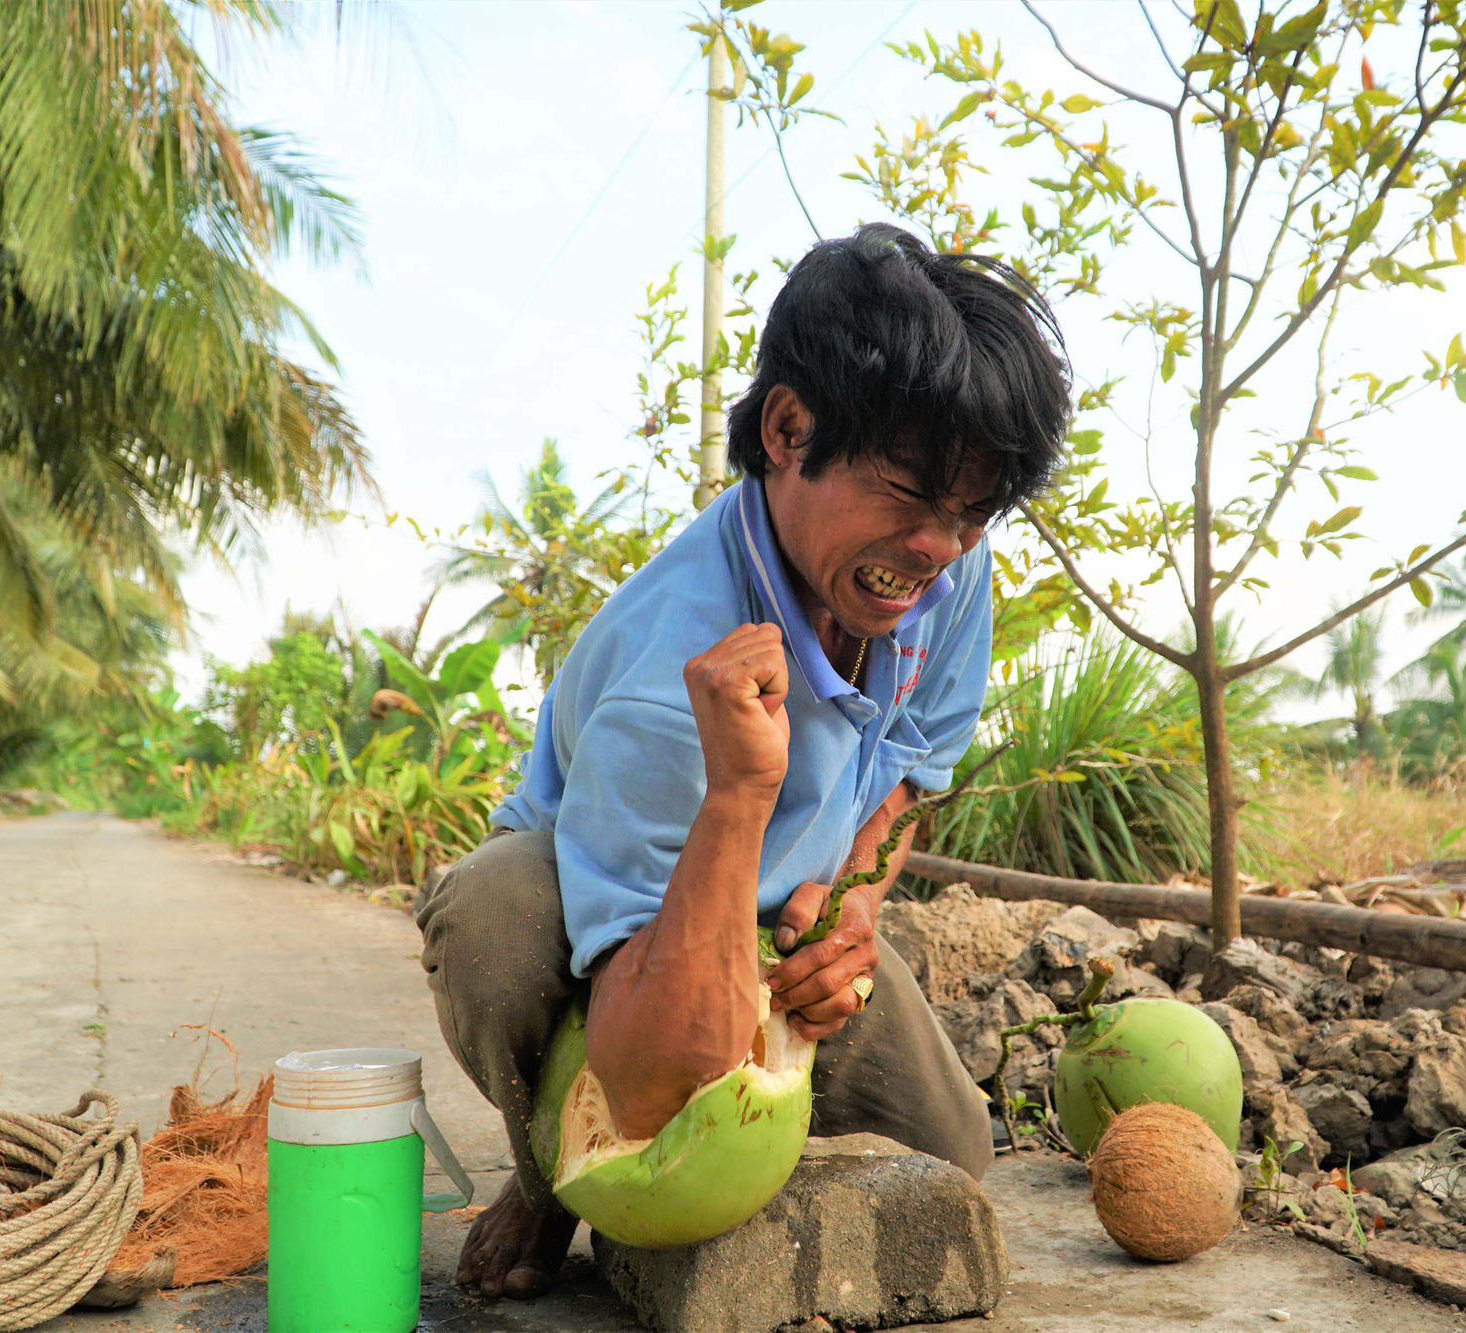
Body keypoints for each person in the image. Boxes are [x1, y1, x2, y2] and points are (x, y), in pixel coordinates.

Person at [417, 222, 1070, 1300]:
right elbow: (653, 1058)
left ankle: (712, 1109)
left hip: (783, 911)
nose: (939, 546)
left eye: (971, 510)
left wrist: (850, 910)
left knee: (948, 1158)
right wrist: (739, 793)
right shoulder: (664, 671)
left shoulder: (946, 564)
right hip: (609, 923)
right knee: (496, 924)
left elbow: (914, 762)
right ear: (787, 426)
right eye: (911, 496)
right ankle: (551, 1169)